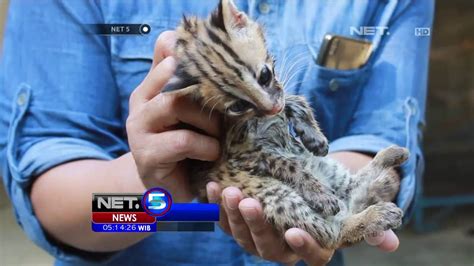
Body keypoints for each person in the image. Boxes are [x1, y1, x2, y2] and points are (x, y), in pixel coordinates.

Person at [0, 0, 433, 265]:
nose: (270, 104)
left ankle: (345, 213)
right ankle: (344, 224)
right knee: (281, 194)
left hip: (310, 186)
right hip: (215, 199)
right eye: (241, 103)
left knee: (322, 171)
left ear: (240, 21)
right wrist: (155, 194)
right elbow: (52, 201)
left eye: (265, 77)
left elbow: (380, 133)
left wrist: (337, 174)